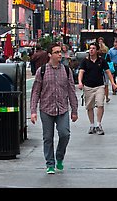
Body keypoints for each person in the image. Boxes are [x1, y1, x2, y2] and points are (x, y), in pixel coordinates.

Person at [30, 43, 78, 173]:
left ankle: (59, 157)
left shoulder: (67, 71)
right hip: (46, 109)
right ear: (50, 55)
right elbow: (35, 92)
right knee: (48, 137)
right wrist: (33, 111)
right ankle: (50, 164)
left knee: (65, 134)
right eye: (56, 52)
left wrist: (74, 110)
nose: (59, 54)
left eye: (60, 52)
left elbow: (71, 91)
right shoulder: (42, 71)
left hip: (62, 109)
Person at [77, 42, 117, 135]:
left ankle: (98, 124)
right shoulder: (85, 61)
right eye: (90, 48)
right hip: (88, 86)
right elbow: (81, 72)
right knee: (89, 106)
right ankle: (92, 125)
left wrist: (113, 83)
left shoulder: (101, 61)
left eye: (93, 48)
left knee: (100, 104)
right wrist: (80, 82)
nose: (91, 50)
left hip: (99, 86)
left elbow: (108, 72)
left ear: (97, 50)